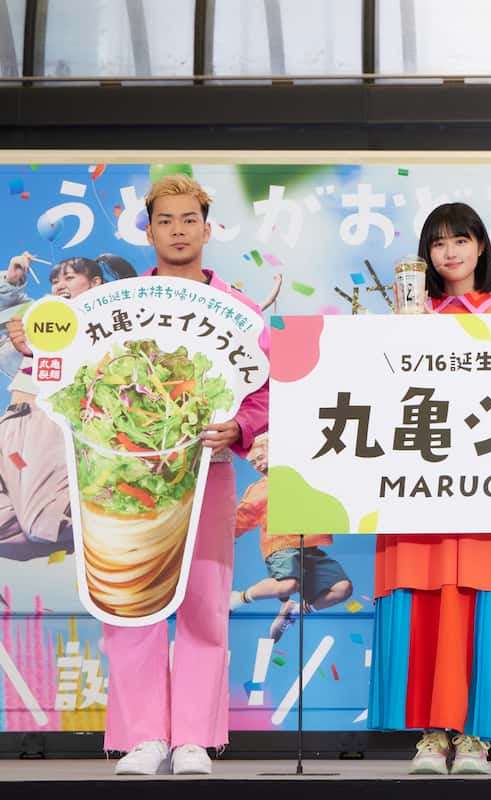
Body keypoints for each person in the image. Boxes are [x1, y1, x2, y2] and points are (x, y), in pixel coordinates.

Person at [65, 175, 267, 776]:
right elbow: (69, 361)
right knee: (131, 604)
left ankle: (194, 739)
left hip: (207, 473)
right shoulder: (118, 305)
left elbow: (264, 390)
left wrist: (240, 427)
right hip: (127, 476)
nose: (178, 231)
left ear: (207, 228)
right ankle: (143, 737)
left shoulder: (239, 309)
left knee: (205, 604)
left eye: (188, 219)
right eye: (165, 220)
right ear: (148, 231)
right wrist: (31, 337)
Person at [369, 203, 491, 776]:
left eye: (461, 240)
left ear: (481, 247)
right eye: (438, 243)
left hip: (487, 484)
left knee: (479, 598)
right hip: (418, 485)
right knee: (425, 599)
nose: (450, 252)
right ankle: (429, 734)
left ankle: (474, 736)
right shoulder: (406, 318)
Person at [0, 257, 108, 561]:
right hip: (12, 424)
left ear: (95, 284)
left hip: (44, 422)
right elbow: (6, 315)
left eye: (70, 278)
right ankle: (88, 522)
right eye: (55, 280)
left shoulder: (102, 324)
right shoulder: (41, 316)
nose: (60, 285)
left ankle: (117, 514)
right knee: (29, 527)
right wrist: (12, 281)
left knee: (42, 522)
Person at [230, 434, 353, 641]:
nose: (258, 464)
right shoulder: (260, 489)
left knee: (343, 588)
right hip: (281, 545)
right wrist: (223, 537)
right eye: (253, 462)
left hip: (308, 546)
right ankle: (238, 598)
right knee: (288, 585)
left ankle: (294, 611)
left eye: (261, 457)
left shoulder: (302, 477)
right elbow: (243, 517)